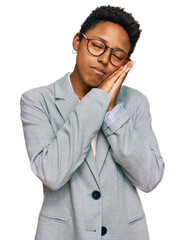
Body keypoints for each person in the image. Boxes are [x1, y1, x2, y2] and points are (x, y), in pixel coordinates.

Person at [20, 5, 165, 240]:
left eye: (117, 56)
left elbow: (149, 178)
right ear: (77, 41)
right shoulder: (37, 101)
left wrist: (112, 110)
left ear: (126, 63)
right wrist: (100, 98)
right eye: (97, 45)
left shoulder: (136, 102)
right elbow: (52, 173)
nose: (105, 60)